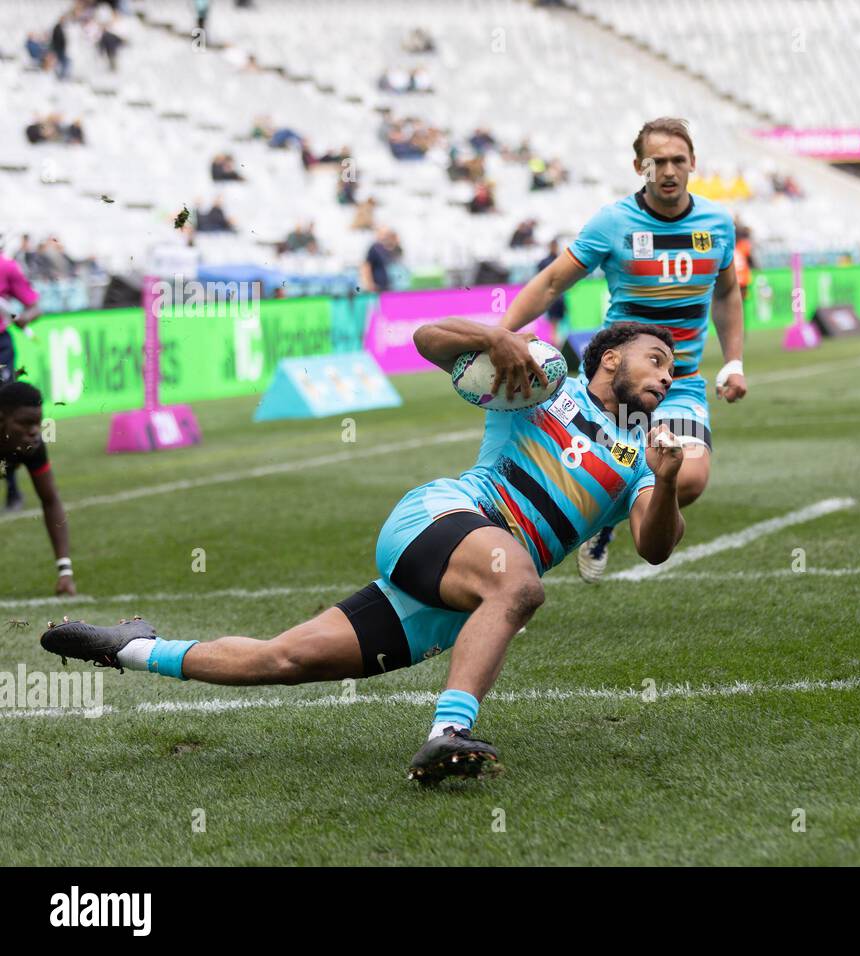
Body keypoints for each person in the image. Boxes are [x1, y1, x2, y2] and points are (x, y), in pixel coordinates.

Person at [41, 323, 685, 783]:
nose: (667, 373)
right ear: (608, 361)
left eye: (674, 367)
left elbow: (654, 548)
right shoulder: (541, 382)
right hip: (443, 521)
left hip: (466, 588)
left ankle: (127, 646)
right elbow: (429, 342)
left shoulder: (641, 460)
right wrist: (492, 337)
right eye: (656, 358)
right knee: (520, 586)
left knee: (285, 658)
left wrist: (667, 483)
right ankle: (448, 734)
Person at [495, 117, 747, 582]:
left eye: (677, 160)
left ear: (693, 163)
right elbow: (553, 280)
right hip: (619, 384)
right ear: (639, 167)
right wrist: (503, 333)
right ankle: (520, 564)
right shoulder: (614, 222)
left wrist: (733, 360)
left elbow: (727, 293)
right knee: (586, 474)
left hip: (681, 382)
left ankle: (603, 524)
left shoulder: (717, 224)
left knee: (689, 476)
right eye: (656, 163)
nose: (668, 171)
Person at [0, 382, 75, 594]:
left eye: (37, 423)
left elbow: (50, 500)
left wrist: (65, 570)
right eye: (25, 423)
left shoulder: (34, 446)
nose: (34, 431)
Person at [0, 251, 43, 511]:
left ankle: (12, 487)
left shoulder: (6, 267)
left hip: (0, 347)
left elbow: (35, 305)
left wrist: (27, 316)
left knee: (4, 416)